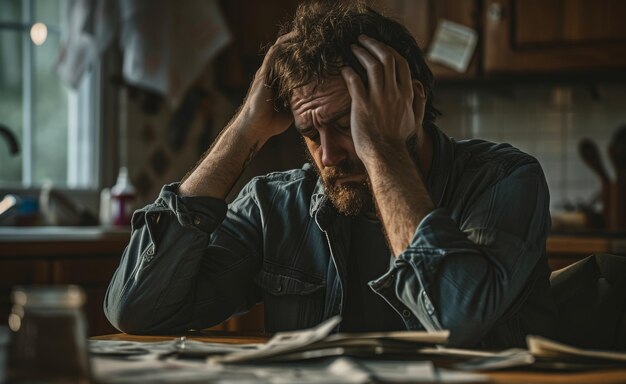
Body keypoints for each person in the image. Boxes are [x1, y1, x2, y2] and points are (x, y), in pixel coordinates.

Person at [104, 1, 556, 348]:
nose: (328, 155)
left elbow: (453, 319)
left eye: (346, 125)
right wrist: (243, 131)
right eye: (310, 133)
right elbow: (136, 309)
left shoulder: (504, 181)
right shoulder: (276, 206)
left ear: (410, 103)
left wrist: (381, 146)